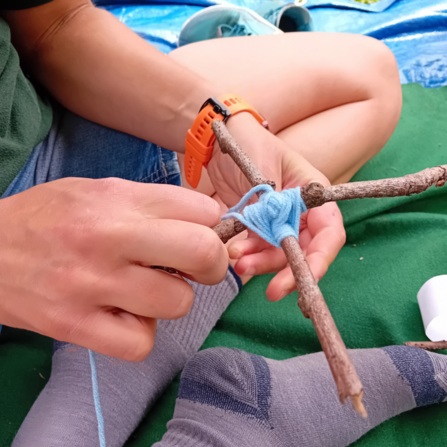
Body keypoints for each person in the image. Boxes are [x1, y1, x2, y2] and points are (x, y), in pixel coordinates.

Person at [0, 0, 402, 445]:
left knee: (370, 75)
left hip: (50, 139)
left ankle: (119, 335)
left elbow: (54, 23)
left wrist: (216, 126)